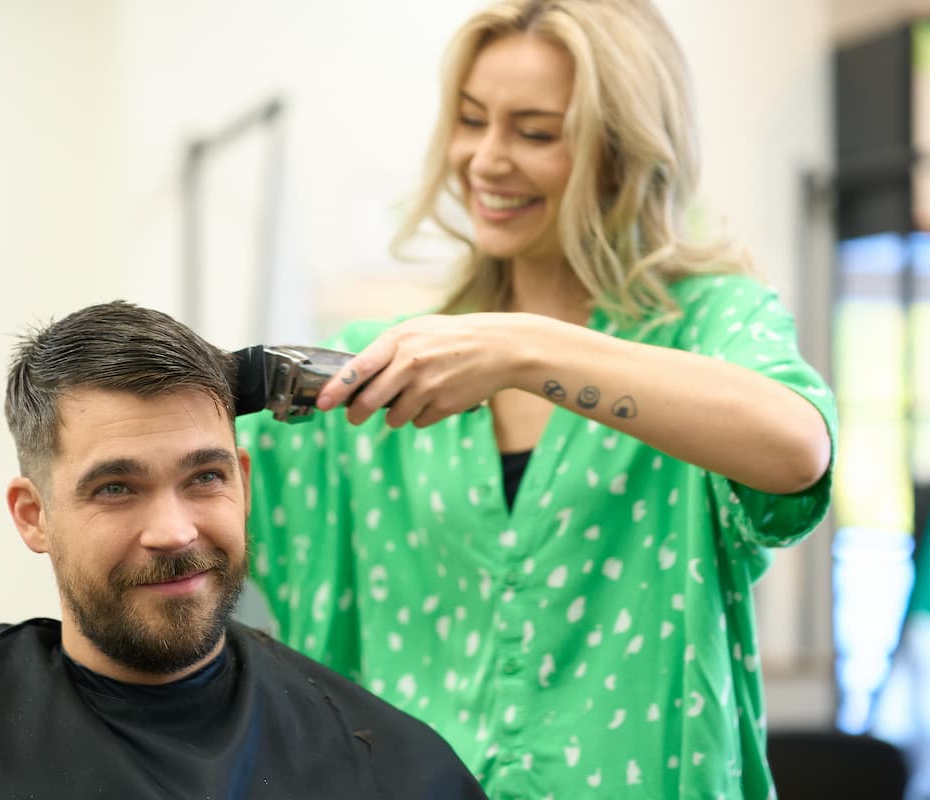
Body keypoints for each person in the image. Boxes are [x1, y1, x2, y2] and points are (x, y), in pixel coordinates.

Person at [236, 1, 838, 798]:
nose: (485, 160)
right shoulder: (386, 363)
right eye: (471, 119)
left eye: (535, 132)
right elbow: (199, 506)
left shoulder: (713, 323)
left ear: (622, 152)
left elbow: (795, 450)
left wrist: (521, 348)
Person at [0, 301, 487, 800]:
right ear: (35, 517)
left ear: (242, 485)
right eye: (117, 488)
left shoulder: (394, 767)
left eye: (203, 477)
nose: (175, 531)